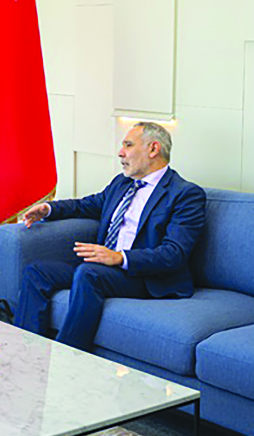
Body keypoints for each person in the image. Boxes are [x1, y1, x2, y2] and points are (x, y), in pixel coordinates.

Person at [16, 122, 206, 351]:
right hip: (105, 267)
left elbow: (174, 254)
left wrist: (119, 257)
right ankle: (25, 353)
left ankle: (66, 358)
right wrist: (49, 209)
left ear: (153, 149)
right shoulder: (122, 183)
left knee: (88, 273)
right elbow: (87, 205)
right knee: (37, 272)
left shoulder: (185, 194)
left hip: (146, 276)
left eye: (128, 145)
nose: (120, 153)